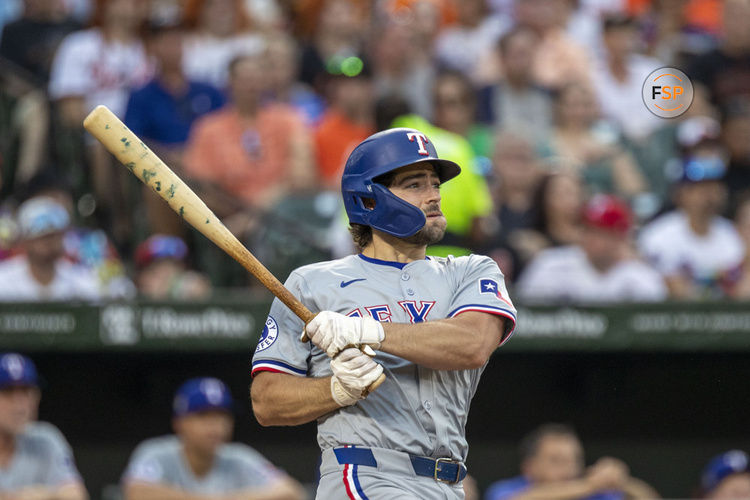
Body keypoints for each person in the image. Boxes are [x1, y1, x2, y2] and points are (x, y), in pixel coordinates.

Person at [251, 127, 517, 499]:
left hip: (449, 484)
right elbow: (266, 401)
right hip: (365, 473)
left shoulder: (471, 271)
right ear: (370, 199)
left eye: (435, 183)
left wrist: (365, 330)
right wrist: (337, 389)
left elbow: (472, 344)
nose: (434, 195)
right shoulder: (313, 283)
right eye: (415, 185)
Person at [122, 377, 305, 500]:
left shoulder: (239, 457)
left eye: (221, 415)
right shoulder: (156, 453)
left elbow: (291, 492)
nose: (215, 425)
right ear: (179, 423)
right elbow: (136, 491)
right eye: (203, 415)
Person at [516, 194, 667, 304]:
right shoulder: (550, 265)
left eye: (601, 233)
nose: (591, 239)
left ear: (620, 238)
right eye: (588, 230)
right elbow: (528, 317)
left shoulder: (641, 277)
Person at [638, 154, 745, 299]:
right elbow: (671, 289)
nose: (711, 195)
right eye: (702, 188)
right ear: (681, 193)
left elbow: (738, 285)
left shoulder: (732, 234)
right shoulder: (659, 235)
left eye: (715, 187)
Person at [484, 424, 658, 500]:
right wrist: (591, 484)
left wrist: (620, 480)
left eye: (574, 459)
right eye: (556, 460)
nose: (569, 467)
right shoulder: (506, 489)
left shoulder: (593, 493)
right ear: (529, 467)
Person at [0, 352, 89, 499]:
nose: (20, 406)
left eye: (26, 391)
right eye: (8, 392)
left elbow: (76, 495)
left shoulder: (46, 439)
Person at [0, 196, 100, 301]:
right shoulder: (3, 281)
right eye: (42, 236)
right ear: (25, 240)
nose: (50, 242)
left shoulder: (79, 281)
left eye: (55, 235)